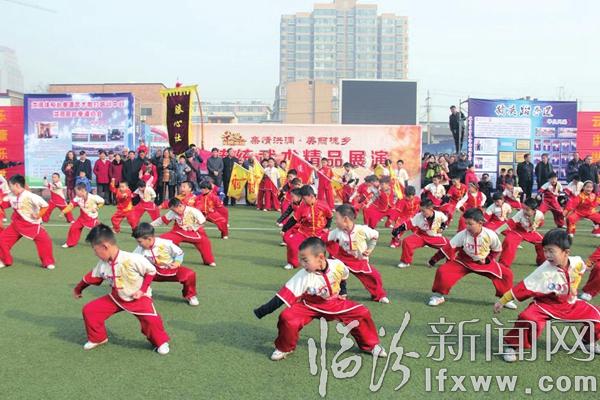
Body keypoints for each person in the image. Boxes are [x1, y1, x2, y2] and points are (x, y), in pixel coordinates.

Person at [253, 237, 386, 361]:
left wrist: (343, 291)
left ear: (320, 257)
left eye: (305, 260)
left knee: (362, 312)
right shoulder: (303, 276)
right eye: (300, 260)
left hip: (335, 303)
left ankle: (370, 345)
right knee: (287, 317)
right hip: (309, 305)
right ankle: (284, 348)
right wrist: (263, 310)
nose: (302, 264)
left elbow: (343, 277)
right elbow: (282, 296)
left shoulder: (337, 265)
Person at [494, 229, 600, 362]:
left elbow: (581, 269)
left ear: (566, 252)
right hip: (545, 305)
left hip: (570, 304)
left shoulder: (576, 262)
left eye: (551, 251)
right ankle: (512, 346)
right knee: (528, 318)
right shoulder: (544, 270)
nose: (547, 255)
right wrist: (502, 301)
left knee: (597, 316)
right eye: (545, 251)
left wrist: (573, 286)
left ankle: (587, 341)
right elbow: (523, 287)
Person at [73, 224, 170, 354]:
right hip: (116, 298)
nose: (95, 253)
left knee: (152, 321)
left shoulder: (133, 258)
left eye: (95, 250)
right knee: (90, 310)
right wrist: (78, 289)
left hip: (139, 298)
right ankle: (98, 338)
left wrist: (142, 290)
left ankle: (161, 342)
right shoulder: (102, 265)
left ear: (105, 246)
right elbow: (91, 278)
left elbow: (150, 271)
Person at [428, 208, 516, 309]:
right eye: (466, 223)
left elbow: (496, 249)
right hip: (464, 262)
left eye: (470, 224)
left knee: (506, 274)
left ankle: (505, 299)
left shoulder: (490, 234)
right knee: (443, 271)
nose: (467, 227)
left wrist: (487, 259)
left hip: (484, 263)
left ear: (480, 223)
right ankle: (438, 296)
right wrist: (433, 260)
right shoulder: (462, 234)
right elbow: (448, 248)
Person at [327, 204, 389, 304]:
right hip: (342, 259)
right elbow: (325, 239)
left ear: (345, 219)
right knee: (336, 271)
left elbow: (375, 235)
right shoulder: (337, 232)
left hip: (359, 260)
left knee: (374, 276)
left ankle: (379, 295)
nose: (335, 221)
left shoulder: (362, 230)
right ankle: (340, 293)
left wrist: (370, 249)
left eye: (337, 218)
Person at [132, 223, 198, 306]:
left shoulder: (165, 243)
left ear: (149, 239)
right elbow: (133, 260)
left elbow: (179, 253)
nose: (138, 244)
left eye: (139, 242)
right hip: (153, 272)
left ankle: (190, 296)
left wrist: (177, 263)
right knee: (135, 273)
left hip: (171, 270)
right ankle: (144, 292)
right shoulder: (140, 249)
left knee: (190, 274)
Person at [0, 174, 56, 270]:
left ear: (17, 185)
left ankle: (48, 262)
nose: (9, 188)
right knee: (2, 240)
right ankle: (5, 261)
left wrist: (38, 215)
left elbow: (45, 205)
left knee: (45, 241)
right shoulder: (11, 195)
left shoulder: (31, 196)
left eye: (10, 186)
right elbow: (4, 204)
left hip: (32, 225)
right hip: (16, 224)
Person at [151, 198, 216, 267]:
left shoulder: (193, 211)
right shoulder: (172, 212)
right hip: (179, 232)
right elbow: (162, 220)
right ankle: (157, 258)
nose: (174, 212)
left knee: (205, 242)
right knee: (162, 239)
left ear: (180, 205)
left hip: (194, 233)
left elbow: (202, 222)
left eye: (175, 209)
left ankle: (209, 261)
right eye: (172, 210)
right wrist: (150, 225)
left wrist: (194, 227)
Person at [281, 185, 333, 270]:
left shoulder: (323, 205)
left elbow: (330, 217)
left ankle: (332, 260)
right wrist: (284, 229)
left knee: (334, 242)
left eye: (304, 199)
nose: (303, 201)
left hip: (320, 232)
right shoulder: (303, 206)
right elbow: (294, 219)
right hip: (304, 232)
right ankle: (292, 263)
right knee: (291, 243)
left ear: (311, 196)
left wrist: (327, 227)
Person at [395, 199, 449, 269]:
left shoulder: (439, 215)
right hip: (421, 236)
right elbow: (409, 224)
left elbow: (445, 221)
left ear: (431, 209)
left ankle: (437, 261)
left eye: (423, 211)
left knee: (449, 246)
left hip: (435, 237)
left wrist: (442, 227)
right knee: (407, 241)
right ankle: (405, 262)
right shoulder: (419, 216)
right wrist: (398, 230)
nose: (422, 213)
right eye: (421, 210)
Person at [499, 198, 545, 268]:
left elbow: (540, 223)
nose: (524, 211)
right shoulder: (519, 214)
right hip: (517, 231)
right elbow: (509, 224)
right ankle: (503, 264)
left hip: (530, 232)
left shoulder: (540, 215)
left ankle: (542, 262)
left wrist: (534, 228)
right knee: (509, 241)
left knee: (543, 242)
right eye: (523, 208)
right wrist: (497, 231)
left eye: (527, 210)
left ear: (534, 210)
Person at [62, 182, 105, 248]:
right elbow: (71, 205)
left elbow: (102, 202)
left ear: (82, 190)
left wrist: (97, 207)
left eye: (77, 191)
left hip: (91, 218)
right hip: (81, 218)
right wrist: (64, 211)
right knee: (73, 228)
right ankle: (70, 243)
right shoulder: (77, 198)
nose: (76, 193)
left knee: (95, 232)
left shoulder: (93, 197)